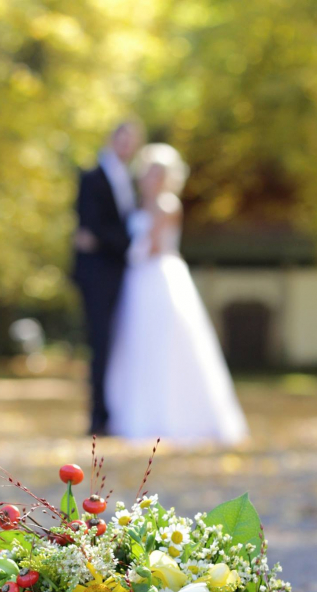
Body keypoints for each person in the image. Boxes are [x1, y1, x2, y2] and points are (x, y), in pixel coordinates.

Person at [105, 143, 248, 444]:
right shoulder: (137, 206)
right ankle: (138, 413)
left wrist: (123, 257)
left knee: (165, 344)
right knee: (138, 344)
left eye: (159, 172)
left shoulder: (166, 205)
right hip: (139, 281)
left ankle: (173, 416)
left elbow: (154, 245)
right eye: (149, 172)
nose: (153, 178)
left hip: (158, 277)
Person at [73, 121, 143, 435]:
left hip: (125, 273)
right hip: (98, 275)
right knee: (100, 344)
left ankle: (117, 411)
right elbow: (90, 226)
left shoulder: (131, 180)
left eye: (132, 141)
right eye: (122, 139)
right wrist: (129, 243)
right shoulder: (92, 178)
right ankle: (97, 417)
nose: (126, 146)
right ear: (111, 139)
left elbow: (102, 232)